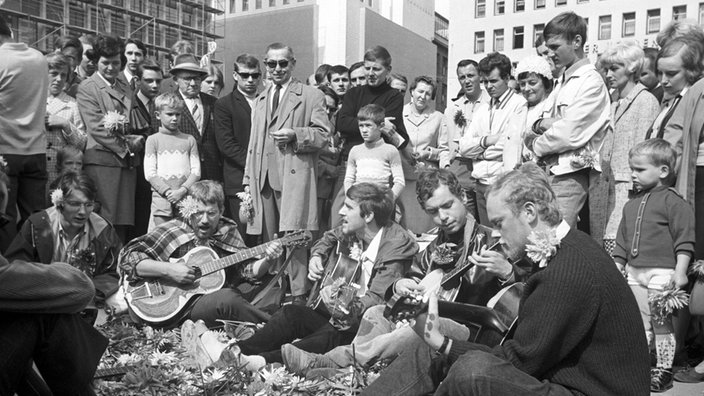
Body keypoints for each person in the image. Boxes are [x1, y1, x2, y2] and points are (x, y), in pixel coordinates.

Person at [406, 162, 649, 395]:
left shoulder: (567, 269)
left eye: (500, 223)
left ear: (529, 212)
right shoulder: (568, 249)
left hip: (587, 391)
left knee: (471, 371)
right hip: (563, 380)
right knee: (438, 356)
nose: (498, 235)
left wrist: (440, 341)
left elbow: (520, 361)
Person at [281, 169, 531, 382]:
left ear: (463, 197)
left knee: (420, 328)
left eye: (447, 206)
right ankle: (350, 373)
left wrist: (508, 273)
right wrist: (401, 283)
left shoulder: (494, 240)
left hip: (470, 331)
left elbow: (533, 287)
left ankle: (333, 362)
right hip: (429, 316)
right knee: (374, 313)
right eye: (433, 211)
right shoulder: (433, 246)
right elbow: (411, 279)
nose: (442, 217)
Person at [185, 183, 418, 371]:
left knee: (329, 335)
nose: (340, 211)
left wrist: (342, 304)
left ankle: (253, 362)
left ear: (367, 216)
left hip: (364, 328)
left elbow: (377, 299)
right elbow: (327, 238)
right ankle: (235, 350)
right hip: (335, 314)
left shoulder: (396, 246)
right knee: (291, 312)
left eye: (348, 207)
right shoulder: (353, 229)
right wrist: (317, 256)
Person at [119, 180, 283, 328]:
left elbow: (246, 270)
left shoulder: (227, 231)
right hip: (175, 306)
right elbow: (129, 258)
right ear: (188, 210)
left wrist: (268, 259)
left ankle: (252, 321)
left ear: (221, 211)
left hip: (212, 297)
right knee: (227, 299)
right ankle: (276, 327)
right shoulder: (174, 230)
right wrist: (169, 270)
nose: (204, 220)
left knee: (272, 284)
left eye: (211, 213)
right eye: (198, 213)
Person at [243, 42, 330, 304]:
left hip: (294, 177)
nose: (277, 68)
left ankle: (300, 295)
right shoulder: (259, 99)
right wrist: (248, 182)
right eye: (271, 64)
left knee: (296, 238)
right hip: (264, 179)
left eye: (283, 63)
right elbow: (252, 145)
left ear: (292, 63)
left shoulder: (311, 95)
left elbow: (324, 135)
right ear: (265, 65)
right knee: (271, 241)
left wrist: (296, 134)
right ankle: (277, 291)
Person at [612, 139, 694, 392]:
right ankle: (643, 363)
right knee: (639, 321)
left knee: (661, 322)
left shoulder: (674, 202)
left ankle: (664, 368)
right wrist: (617, 264)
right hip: (635, 272)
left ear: (663, 171)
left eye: (639, 169)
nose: (633, 175)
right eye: (631, 168)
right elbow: (622, 240)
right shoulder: (631, 204)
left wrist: (680, 271)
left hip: (663, 273)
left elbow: (685, 239)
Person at [524, 12, 610, 229]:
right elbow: (537, 123)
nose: (550, 54)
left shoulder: (591, 81)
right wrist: (543, 125)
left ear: (577, 41)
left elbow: (568, 133)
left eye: (555, 47)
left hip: (571, 174)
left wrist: (536, 144)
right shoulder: (563, 81)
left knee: (555, 238)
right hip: (550, 171)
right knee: (540, 236)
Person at [5, 172, 122, 320]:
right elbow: (15, 268)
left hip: (87, 302)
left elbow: (115, 272)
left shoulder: (103, 230)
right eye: (74, 204)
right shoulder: (38, 225)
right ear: (59, 203)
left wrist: (88, 291)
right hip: (42, 300)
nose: (83, 212)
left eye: (89, 204)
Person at [0, 249, 108, 395]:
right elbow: (82, 288)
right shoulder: (35, 228)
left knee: (38, 307)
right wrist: (62, 268)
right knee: (46, 311)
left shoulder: (102, 231)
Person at [594, 42, 659, 251]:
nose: (609, 74)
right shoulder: (610, 101)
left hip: (627, 189)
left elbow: (644, 151)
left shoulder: (646, 100)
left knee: (619, 247)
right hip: (604, 187)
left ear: (631, 68)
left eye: (615, 68)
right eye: (607, 69)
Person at [77, 35, 142, 243]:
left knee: (123, 222)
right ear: (96, 62)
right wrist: (127, 146)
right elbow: (96, 127)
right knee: (102, 220)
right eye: (106, 62)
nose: (111, 67)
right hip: (102, 162)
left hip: (126, 163)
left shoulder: (125, 87)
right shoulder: (88, 87)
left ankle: (119, 267)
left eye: (116, 62)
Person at [459, 52, 527, 225]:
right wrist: (486, 141)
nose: (488, 86)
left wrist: (479, 152)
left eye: (493, 81)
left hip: (503, 183)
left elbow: (510, 144)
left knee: (506, 238)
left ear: (506, 77)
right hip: (480, 183)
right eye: (485, 81)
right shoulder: (483, 109)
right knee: (487, 237)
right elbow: (464, 147)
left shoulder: (519, 104)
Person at [0, 14, 49, 250]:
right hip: (37, 152)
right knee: (38, 222)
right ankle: (41, 276)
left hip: (5, 154)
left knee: (5, 223)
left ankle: (10, 280)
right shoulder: (39, 58)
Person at [214, 54, 261, 238]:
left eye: (255, 75)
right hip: (239, 180)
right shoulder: (224, 104)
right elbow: (226, 145)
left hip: (267, 182)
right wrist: (255, 165)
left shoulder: (269, 101)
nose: (250, 80)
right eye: (244, 75)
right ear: (235, 76)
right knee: (243, 237)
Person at [440, 59, 490, 223]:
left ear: (480, 76)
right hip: (460, 168)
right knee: (466, 221)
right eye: (462, 77)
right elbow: (445, 144)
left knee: (488, 220)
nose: (467, 81)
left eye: (470, 75)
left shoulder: (491, 102)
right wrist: (448, 165)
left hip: (486, 166)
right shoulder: (453, 108)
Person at [144, 93, 200, 229]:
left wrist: (182, 191)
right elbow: (150, 173)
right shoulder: (153, 140)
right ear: (158, 115)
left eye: (178, 114)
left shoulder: (189, 139)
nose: (174, 118)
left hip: (185, 199)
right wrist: (167, 192)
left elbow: (196, 172)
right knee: (161, 236)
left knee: (186, 235)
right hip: (162, 199)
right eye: (169, 114)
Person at [400, 76, 446, 233]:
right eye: (420, 91)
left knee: (424, 226)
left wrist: (429, 153)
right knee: (403, 223)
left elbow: (445, 150)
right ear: (412, 92)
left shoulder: (438, 117)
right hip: (402, 176)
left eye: (428, 93)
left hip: (426, 179)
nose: (423, 96)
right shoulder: (399, 112)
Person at [171, 53, 222, 183]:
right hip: (180, 174)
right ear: (176, 80)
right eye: (187, 79)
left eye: (197, 78)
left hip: (211, 173)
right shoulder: (167, 103)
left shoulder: (214, 103)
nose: (193, 83)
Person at [128, 59, 163, 239]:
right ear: (137, 80)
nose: (155, 85)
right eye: (149, 80)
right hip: (134, 172)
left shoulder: (163, 105)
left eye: (158, 80)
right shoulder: (128, 103)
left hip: (159, 175)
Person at [45, 53, 87, 196]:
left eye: (63, 75)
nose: (58, 79)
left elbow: (81, 143)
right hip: (37, 169)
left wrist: (65, 124)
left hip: (61, 173)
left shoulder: (72, 104)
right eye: (54, 74)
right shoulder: (33, 100)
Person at [344, 104, 404, 201]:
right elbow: (349, 179)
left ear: (381, 126)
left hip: (380, 201)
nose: (364, 130)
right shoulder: (355, 150)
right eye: (361, 126)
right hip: (358, 201)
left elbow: (399, 181)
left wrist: (388, 201)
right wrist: (350, 198)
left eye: (368, 125)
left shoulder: (390, 150)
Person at [514, 55, 554, 165]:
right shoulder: (518, 110)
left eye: (532, 83)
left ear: (545, 83)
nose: (526, 89)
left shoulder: (552, 107)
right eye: (522, 84)